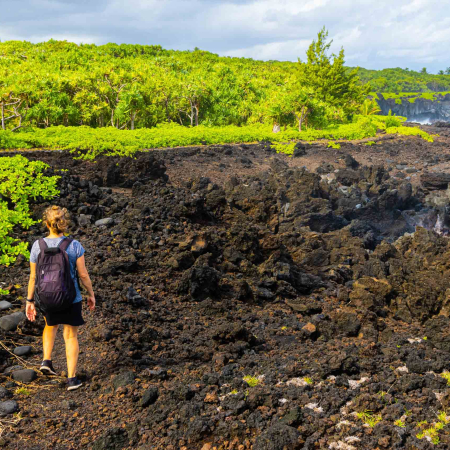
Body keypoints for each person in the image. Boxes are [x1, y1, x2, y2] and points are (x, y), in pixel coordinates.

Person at [25, 206, 95, 391]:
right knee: (70, 335)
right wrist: (91, 294)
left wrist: (29, 301)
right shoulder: (74, 246)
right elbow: (83, 275)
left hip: (46, 297)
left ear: (47, 224)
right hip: (71, 298)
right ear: (65, 224)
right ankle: (71, 379)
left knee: (50, 325)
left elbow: (33, 277)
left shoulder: (37, 246)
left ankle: (46, 360)